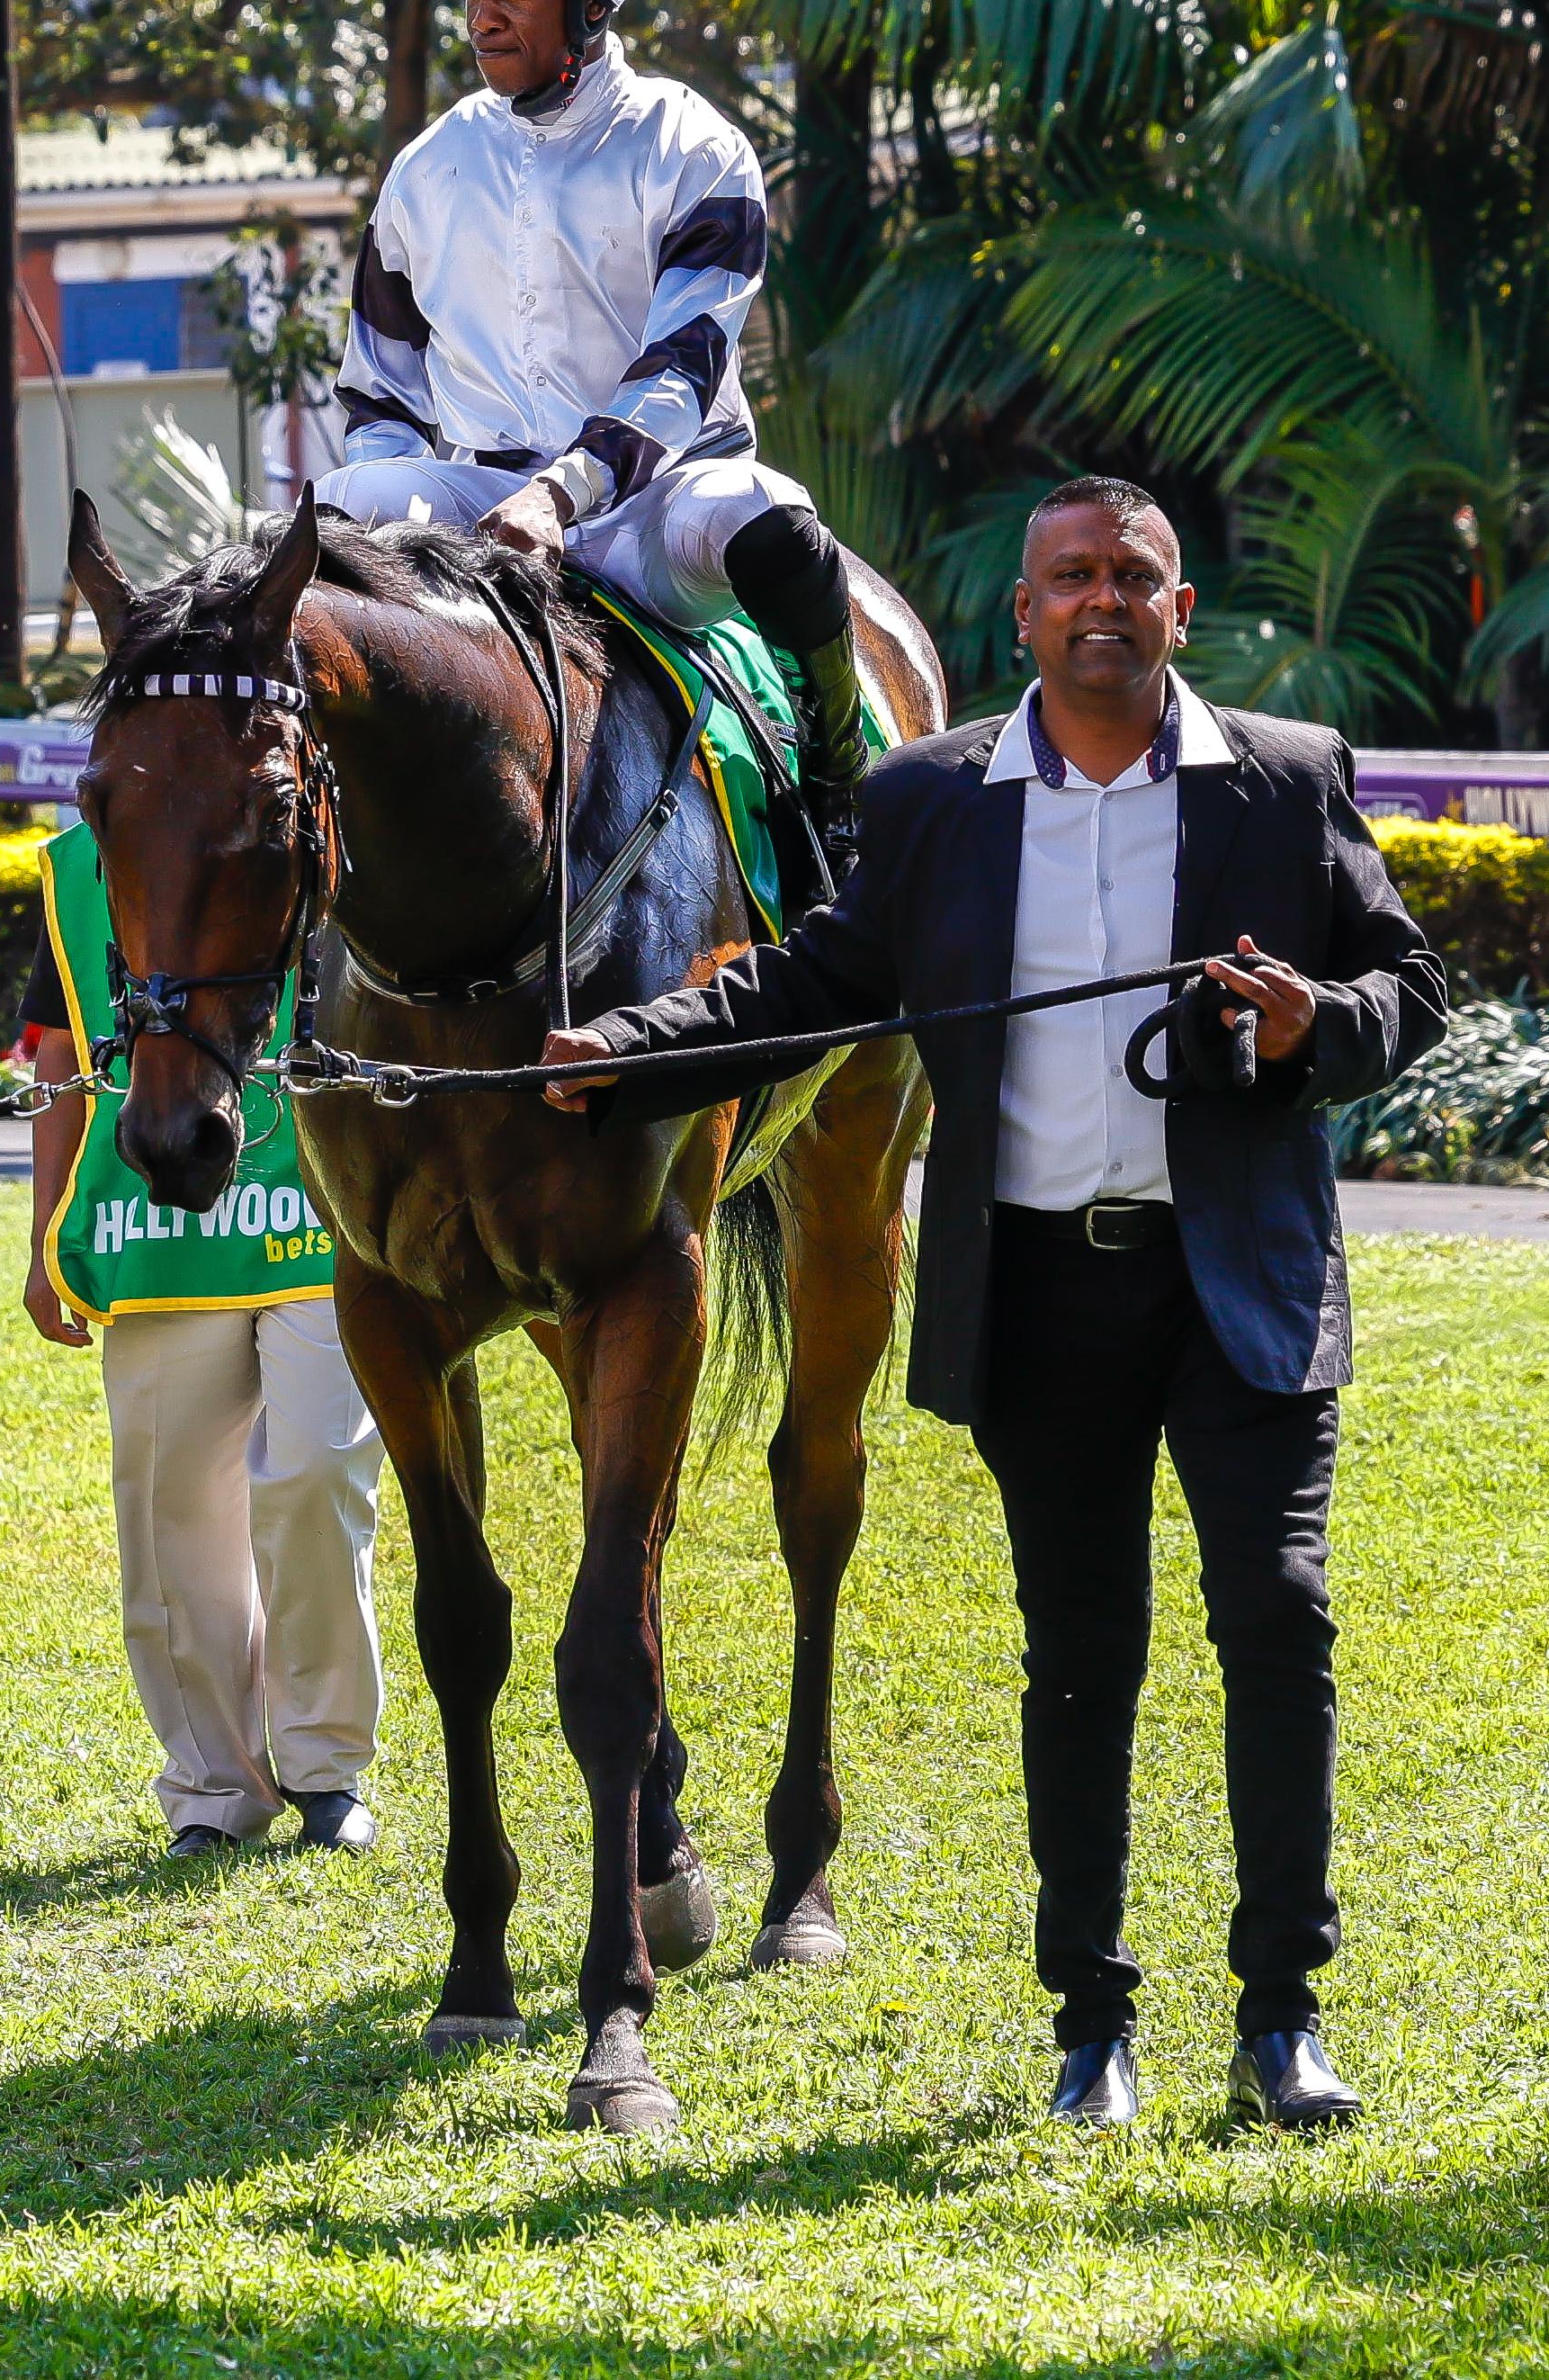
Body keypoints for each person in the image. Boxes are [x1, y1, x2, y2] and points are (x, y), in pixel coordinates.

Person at [540, 475, 1446, 2134]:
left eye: (1132, 575)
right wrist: (624, 1050)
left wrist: (1316, 1020)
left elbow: (1410, 982)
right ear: (1021, 614)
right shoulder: (930, 799)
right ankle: (1091, 2027)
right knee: (1079, 1653)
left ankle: (1281, 2016)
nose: (1102, 597)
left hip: (1239, 1277)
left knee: (1277, 1619)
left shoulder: (1284, 777)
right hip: (1038, 1289)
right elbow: (810, 980)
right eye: (1070, 575)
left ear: (1177, 610)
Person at [311, 0, 875, 831]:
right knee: (324, 514)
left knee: (772, 520)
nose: (481, 19)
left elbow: (679, 374)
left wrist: (560, 494)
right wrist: (399, 541)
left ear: (592, 0)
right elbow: (378, 390)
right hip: (481, 504)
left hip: (660, 505)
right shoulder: (426, 167)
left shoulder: (696, 147)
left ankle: (840, 785)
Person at [18, 822, 386, 1858]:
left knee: (317, 1472)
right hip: (153, 1233)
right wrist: (46, 1236)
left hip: (319, 1220)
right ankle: (216, 1788)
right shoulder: (80, 866)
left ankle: (325, 1770)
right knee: (170, 1518)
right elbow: (60, 1047)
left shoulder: (328, 828)